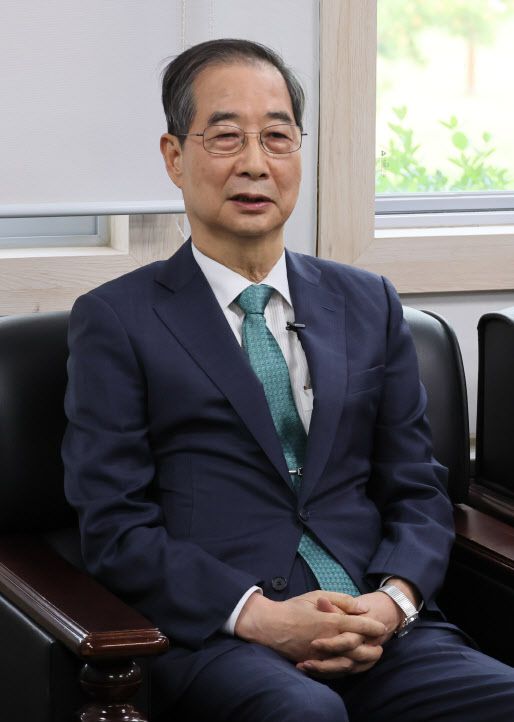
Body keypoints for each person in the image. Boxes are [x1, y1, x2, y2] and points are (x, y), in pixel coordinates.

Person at [62, 38, 514, 721]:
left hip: (377, 626)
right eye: (226, 137)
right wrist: (259, 617)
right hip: (226, 637)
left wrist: (392, 603)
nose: (255, 163)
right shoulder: (116, 320)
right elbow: (114, 527)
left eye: (277, 136)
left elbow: (417, 488)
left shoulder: (369, 302)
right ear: (174, 157)